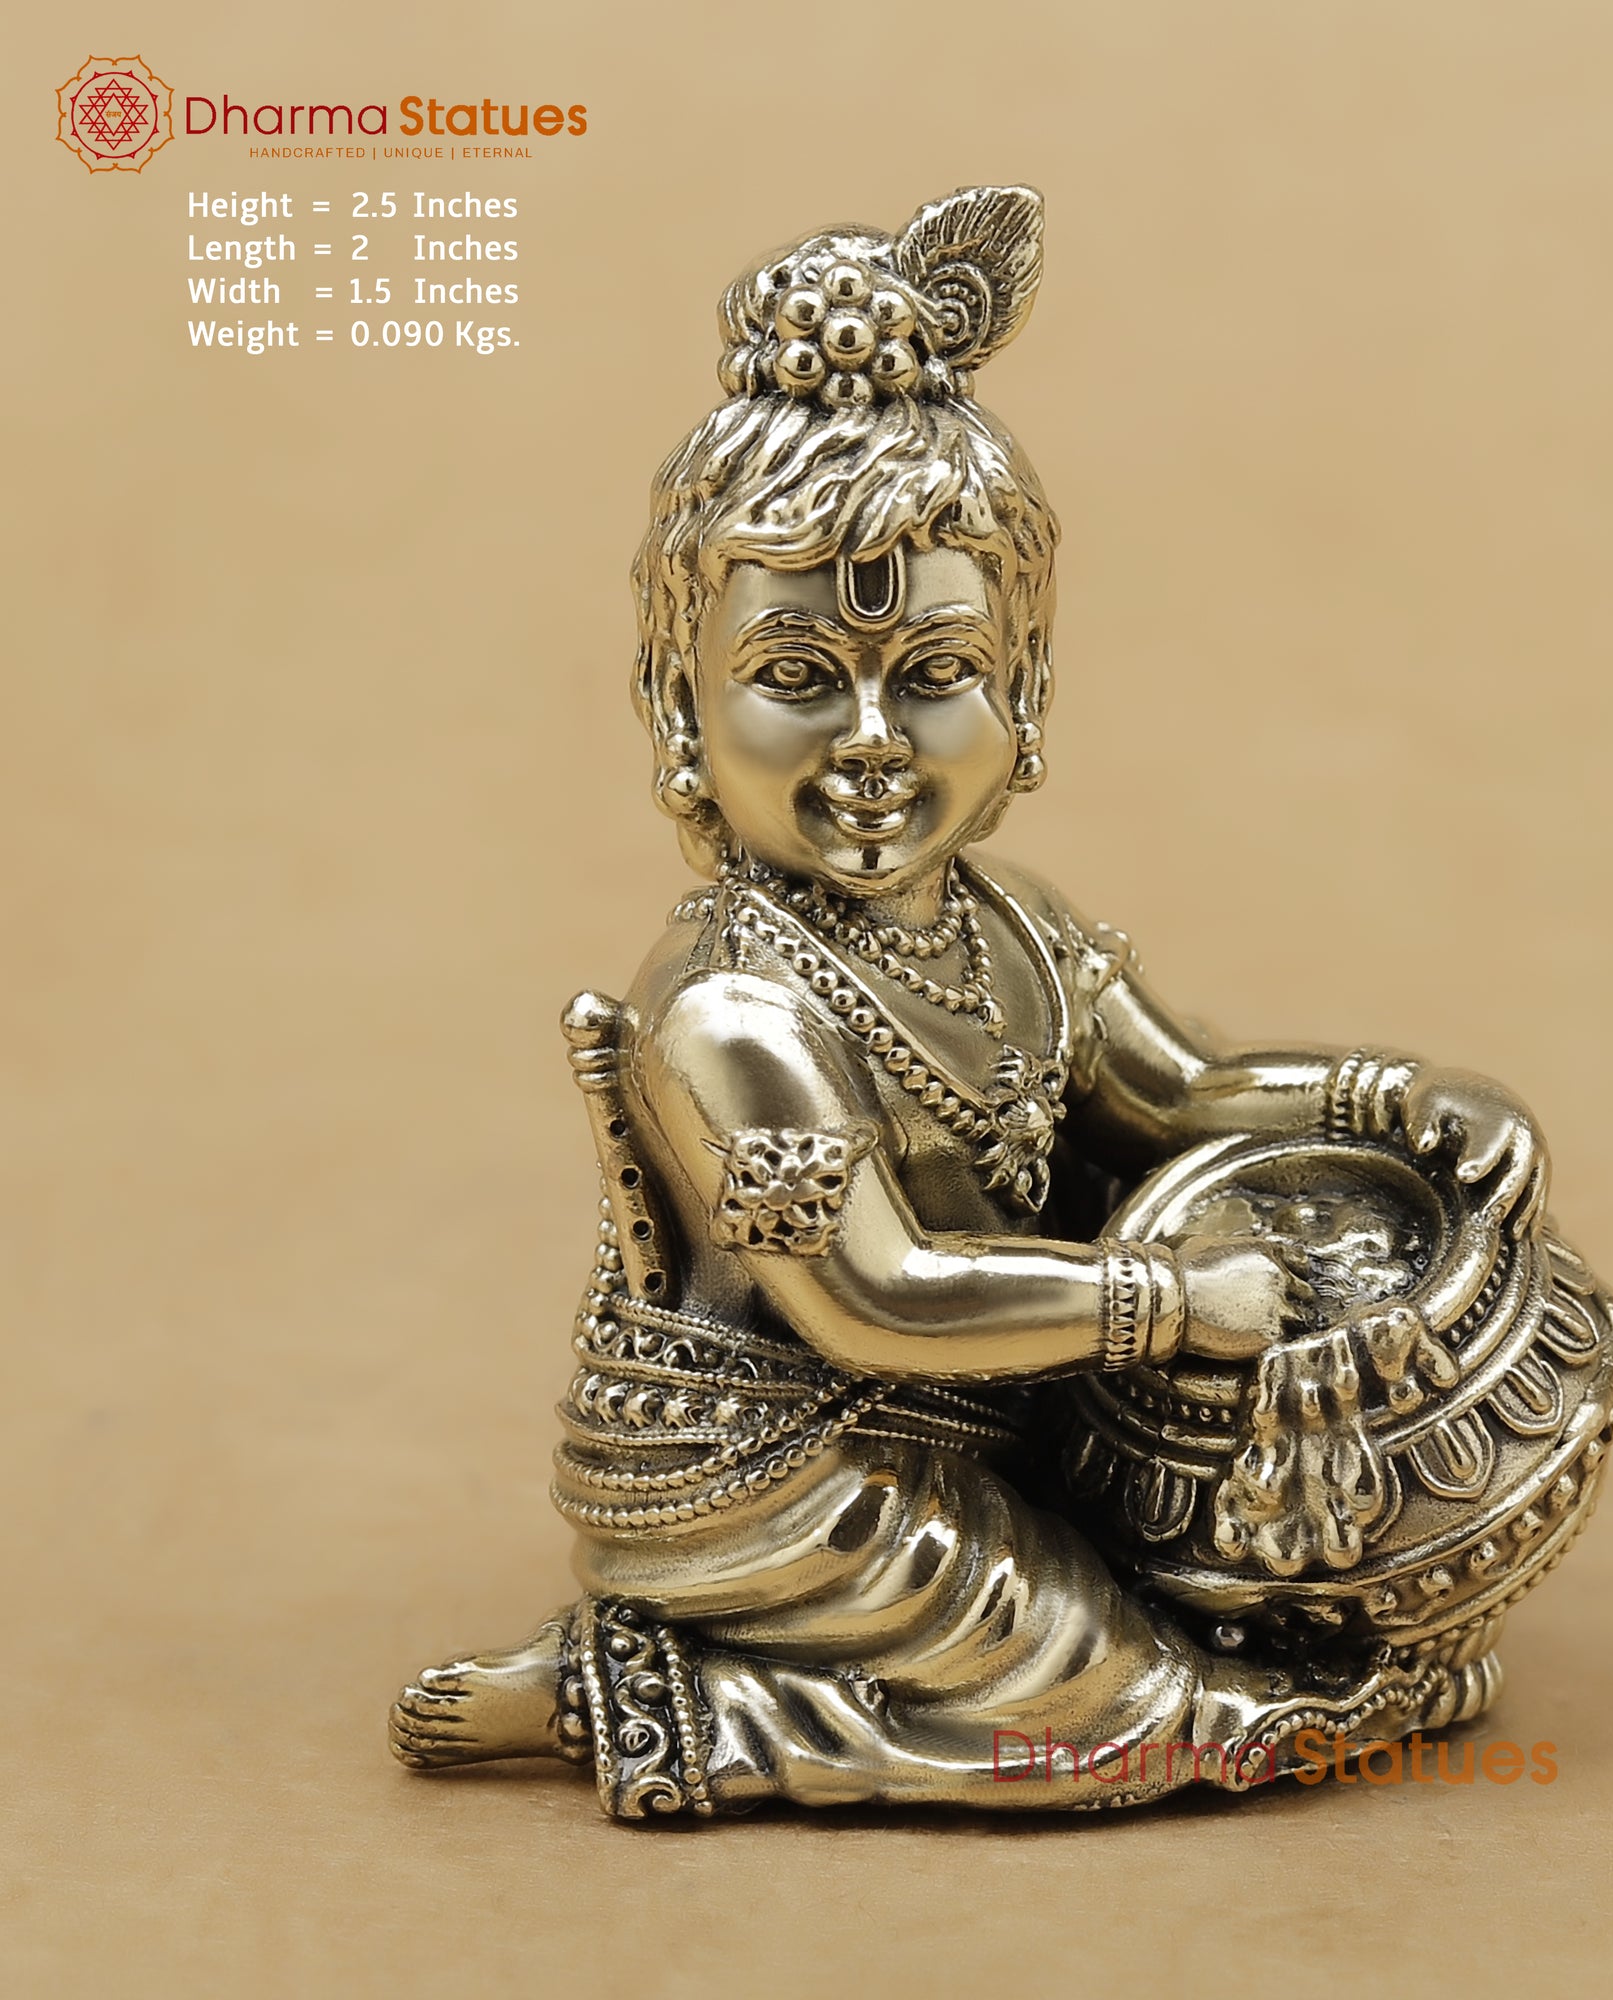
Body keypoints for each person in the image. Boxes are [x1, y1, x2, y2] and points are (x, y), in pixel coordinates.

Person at [390, 187, 1548, 1819]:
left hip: (999, 1409)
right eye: (797, 679)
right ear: (677, 704)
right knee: (1112, 1712)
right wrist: (1164, 1304)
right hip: (777, 1471)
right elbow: (878, 1298)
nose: (873, 741)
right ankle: (638, 1696)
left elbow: (1184, 1093)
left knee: (1218, 1539)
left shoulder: (1014, 923)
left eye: (935, 674)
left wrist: (1387, 1102)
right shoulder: (730, 1011)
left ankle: (1246, 1655)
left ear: (1028, 693)